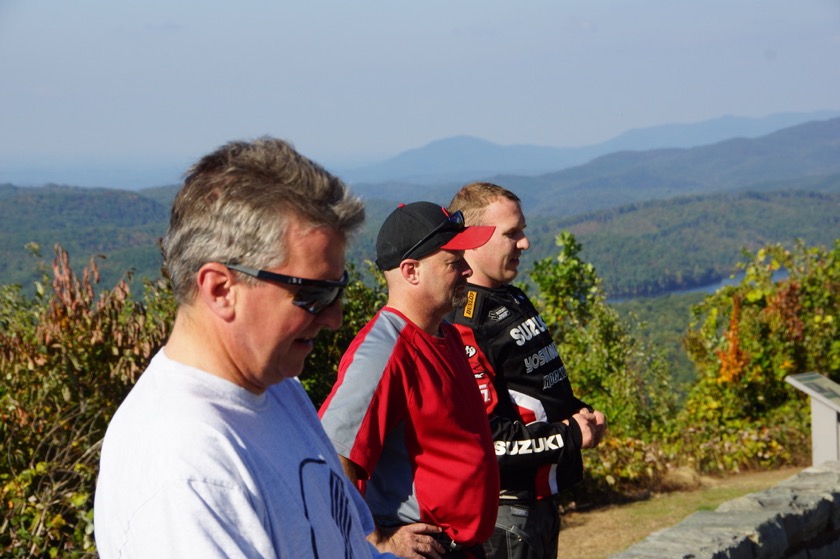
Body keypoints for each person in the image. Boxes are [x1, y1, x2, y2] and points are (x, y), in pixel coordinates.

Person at [94, 137, 399, 558]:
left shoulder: (276, 388)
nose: (335, 317)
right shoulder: (184, 468)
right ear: (221, 289)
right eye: (315, 293)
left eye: (339, 289)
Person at [319, 202, 501, 559]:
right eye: (454, 262)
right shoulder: (384, 351)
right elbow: (330, 454)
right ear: (411, 271)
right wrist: (373, 540)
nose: (468, 270)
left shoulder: (446, 334)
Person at [446, 182, 607, 559]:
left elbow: (535, 388)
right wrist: (567, 436)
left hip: (538, 502)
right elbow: (486, 439)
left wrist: (577, 413)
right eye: (512, 234)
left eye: (523, 231)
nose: (525, 243)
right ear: (472, 239)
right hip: (505, 512)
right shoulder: (464, 322)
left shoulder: (511, 296)